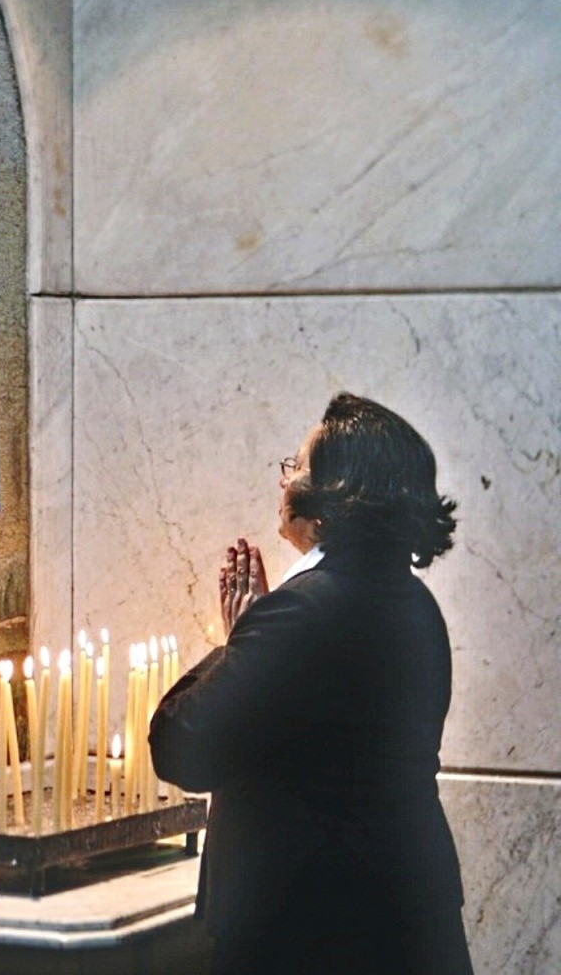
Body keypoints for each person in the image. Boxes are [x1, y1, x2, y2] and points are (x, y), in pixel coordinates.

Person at [149, 393, 473, 973]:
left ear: (333, 501)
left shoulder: (300, 614)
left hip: (308, 936)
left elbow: (180, 747)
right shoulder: (413, 603)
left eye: (295, 468)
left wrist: (239, 639)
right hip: (409, 926)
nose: (283, 482)